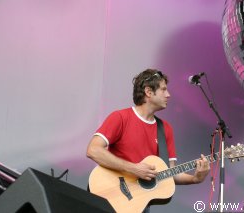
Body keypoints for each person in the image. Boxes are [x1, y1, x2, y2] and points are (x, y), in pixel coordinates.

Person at [86, 68, 210, 211]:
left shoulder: (165, 129)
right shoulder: (120, 117)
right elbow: (93, 150)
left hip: (139, 205)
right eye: (163, 90)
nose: (168, 95)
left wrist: (195, 179)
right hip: (110, 197)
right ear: (149, 92)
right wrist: (134, 169)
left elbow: (170, 173)